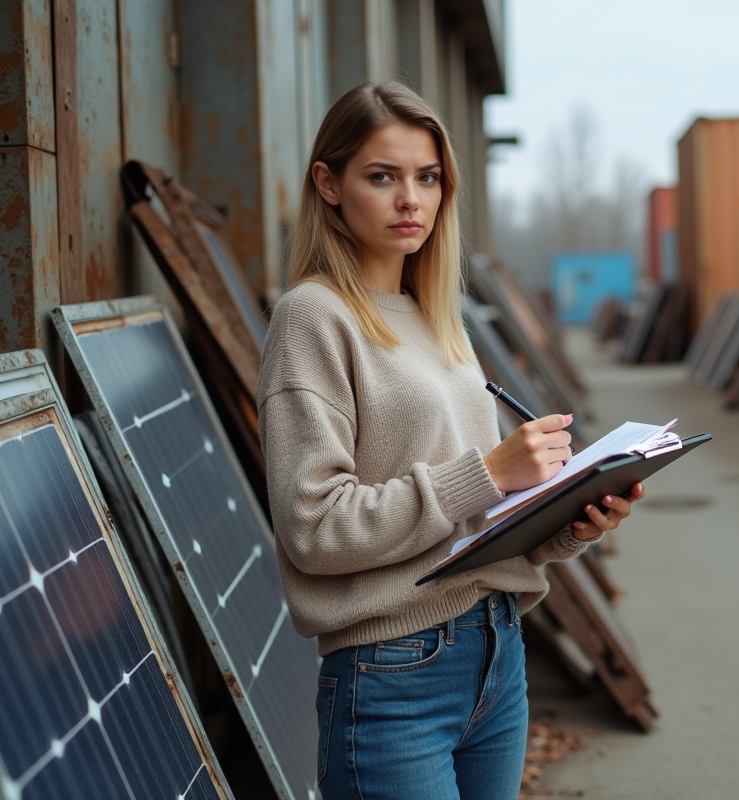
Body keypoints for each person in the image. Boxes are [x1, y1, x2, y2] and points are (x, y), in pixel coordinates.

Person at [257, 81, 645, 800]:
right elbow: (313, 527)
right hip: (393, 674)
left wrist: (568, 521)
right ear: (329, 184)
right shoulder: (312, 317)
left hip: (496, 650)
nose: (411, 199)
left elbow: (472, 523)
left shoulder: (435, 314)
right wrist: (489, 472)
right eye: (383, 176)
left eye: (428, 177)